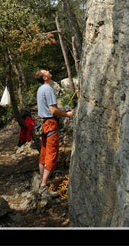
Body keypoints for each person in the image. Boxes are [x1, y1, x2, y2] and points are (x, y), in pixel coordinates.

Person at [34, 68, 75, 199]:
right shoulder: (48, 89)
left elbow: (49, 109)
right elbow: (53, 111)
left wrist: (63, 109)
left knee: (44, 154)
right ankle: (43, 186)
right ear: (45, 78)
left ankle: (42, 182)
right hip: (50, 124)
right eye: (45, 71)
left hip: (43, 124)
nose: (48, 71)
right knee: (52, 155)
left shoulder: (40, 89)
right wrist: (67, 114)